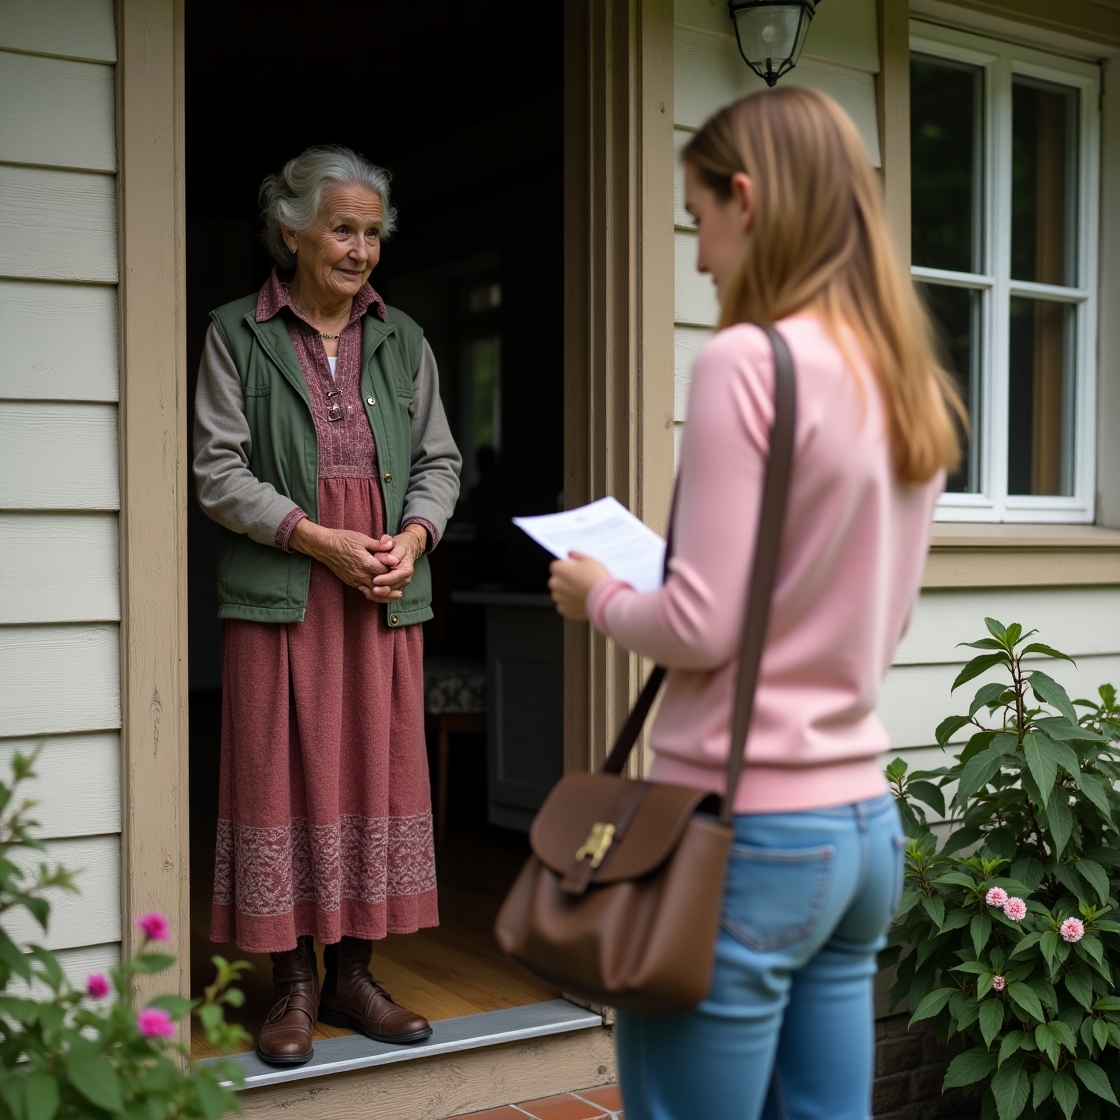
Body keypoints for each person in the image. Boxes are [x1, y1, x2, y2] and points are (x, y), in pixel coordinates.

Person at [548, 87, 965, 1119]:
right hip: (861, 831)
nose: (700, 259)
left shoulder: (749, 362)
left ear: (745, 197)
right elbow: (862, 611)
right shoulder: (904, 378)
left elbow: (701, 624)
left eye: (698, 222)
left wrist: (598, 595)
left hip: (747, 835)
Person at [193, 145, 461, 1066]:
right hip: (286, 589)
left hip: (383, 590)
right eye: (342, 229)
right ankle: (292, 987)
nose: (360, 249)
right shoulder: (236, 332)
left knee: (373, 774)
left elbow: (439, 462)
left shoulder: (405, 339)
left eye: (373, 233)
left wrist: (413, 538)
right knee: (281, 774)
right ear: (292, 231)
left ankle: (353, 974)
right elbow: (216, 472)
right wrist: (318, 540)